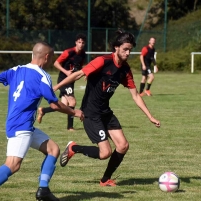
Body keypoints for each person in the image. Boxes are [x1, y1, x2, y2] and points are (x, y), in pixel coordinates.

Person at [38, 30, 160, 187]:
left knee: (123, 146)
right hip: (90, 113)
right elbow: (79, 74)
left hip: (105, 112)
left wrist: (150, 116)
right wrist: (56, 86)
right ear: (116, 47)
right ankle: (74, 147)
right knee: (105, 153)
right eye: (125, 49)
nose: (128, 53)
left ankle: (105, 180)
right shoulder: (102, 61)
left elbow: (136, 95)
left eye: (130, 50)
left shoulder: (125, 69)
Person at [0, 42, 84, 201]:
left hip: (21, 124)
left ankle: (44, 190)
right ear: (47, 57)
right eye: (51, 58)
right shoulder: (43, 76)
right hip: (21, 127)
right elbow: (55, 104)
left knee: (53, 150)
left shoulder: (17, 69)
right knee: (13, 164)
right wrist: (74, 111)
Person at [38, 33, 86, 131]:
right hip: (63, 80)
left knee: (62, 106)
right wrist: (66, 72)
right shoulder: (68, 52)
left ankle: (43, 110)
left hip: (71, 81)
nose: (81, 44)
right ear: (76, 43)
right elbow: (56, 63)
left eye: (83, 42)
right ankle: (70, 127)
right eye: (79, 42)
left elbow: (79, 67)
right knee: (72, 101)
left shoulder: (83, 54)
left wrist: (85, 73)